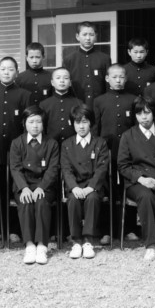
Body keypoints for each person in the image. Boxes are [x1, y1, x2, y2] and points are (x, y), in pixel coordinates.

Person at [117, 96, 155, 261]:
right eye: (139, 114)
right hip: (137, 182)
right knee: (145, 196)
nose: (144, 117)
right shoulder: (128, 136)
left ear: (154, 113)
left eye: (147, 113)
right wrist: (142, 179)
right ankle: (150, 245)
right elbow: (123, 165)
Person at [0, 56, 31, 242]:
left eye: (10, 69)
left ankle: (14, 229)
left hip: (17, 148)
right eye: (3, 69)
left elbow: (27, 124)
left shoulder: (24, 94)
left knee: (15, 188)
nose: (7, 72)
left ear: (16, 72)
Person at [9, 106, 60, 265]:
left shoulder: (51, 143)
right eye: (31, 122)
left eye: (38, 121)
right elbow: (15, 168)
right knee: (25, 202)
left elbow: (53, 169)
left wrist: (41, 187)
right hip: (23, 184)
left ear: (44, 124)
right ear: (24, 123)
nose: (35, 125)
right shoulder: (17, 143)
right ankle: (30, 245)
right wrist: (24, 188)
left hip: (44, 185)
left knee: (41, 202)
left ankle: (42, 245)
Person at [93, 63, 135, 243]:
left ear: (126, 78)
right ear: (107, 78)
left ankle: (129, 228)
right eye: (114, 77)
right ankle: (106, 230)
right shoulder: (99, 101)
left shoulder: (133, 99)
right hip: (107, 152)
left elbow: (135, 128)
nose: (118, 80)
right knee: (107, 190)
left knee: (127, 188)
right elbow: (96, 128)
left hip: (128, 152)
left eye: (121, 77)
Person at [61, 105, 109, 260]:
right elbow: (66, 169)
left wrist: (91, 187)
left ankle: (88, 241)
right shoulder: (67, 144)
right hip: (75, 186)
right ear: (72, 124)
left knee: (92, 199)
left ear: (91, 123)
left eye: (84, 122)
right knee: (73, 200)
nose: (81, 126)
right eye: (77, 122)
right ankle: (76, 241)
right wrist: (74, 187)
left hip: (93, 187)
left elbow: (101, 169)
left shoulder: (100, 143)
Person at [62, 21, 111, 105]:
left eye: (91, 35)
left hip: (99, 104)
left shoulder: (104, 58)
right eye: (84, 34)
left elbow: (108, 84)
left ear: (96, 36)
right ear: (77, 36)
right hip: (75, 105)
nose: (88, 38)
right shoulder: (69, 59)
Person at [39, 67, 82, 144]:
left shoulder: (78, 103)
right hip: (50, 144)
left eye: (66, 78)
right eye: (58, 78)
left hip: (73, 145)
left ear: (70, 83)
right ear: (52, 82)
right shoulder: (44, 104)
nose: (62, 81)